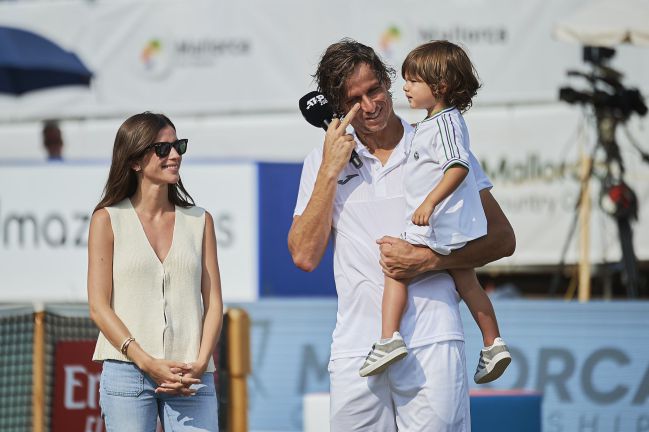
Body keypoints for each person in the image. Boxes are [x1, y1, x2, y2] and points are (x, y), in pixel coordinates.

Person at [288, 39, 515, 431]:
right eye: (355, 98)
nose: (371, 105)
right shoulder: (320, 162)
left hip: (433, 340)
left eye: (375, 89)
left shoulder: (441, 143)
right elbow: (305, 256)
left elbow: (502, 238)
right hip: (358, 349)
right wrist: (330, 170)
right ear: (338, 105)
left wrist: (429, 261)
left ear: (389, 82)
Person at [359, 41, 511, 385]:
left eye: (413, 81)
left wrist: (429, 203)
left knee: (395, 268)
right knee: (467, 281)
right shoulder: (433, 123)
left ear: (439, 88)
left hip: (440, 226)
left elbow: (457, 165)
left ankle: (388, 339)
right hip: (451, 228)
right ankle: (493, 343)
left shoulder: (445, 124)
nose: (406, 87)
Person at [87, 112, 223, 431]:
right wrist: (146, 362)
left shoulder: (201, 221)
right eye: (163, 148)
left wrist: (201, 363)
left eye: (178, 146)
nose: (175, 154)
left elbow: (214, 302)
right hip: (127, 372)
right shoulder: (106, 221)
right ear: (135, 161)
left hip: (190, 374)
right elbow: (98, 306)